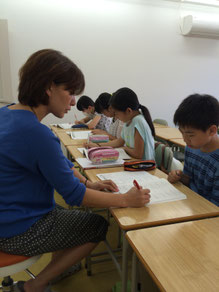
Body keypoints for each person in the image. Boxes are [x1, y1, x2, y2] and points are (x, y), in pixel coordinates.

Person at [0, 49, 151, 292]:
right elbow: (76, 197)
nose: (73, 101)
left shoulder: (6, 113)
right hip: (16, 230)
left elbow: (60, 166)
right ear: (49, 87)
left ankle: (57, 269)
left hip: (9, 215)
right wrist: (125, 199)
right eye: (70, 92)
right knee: (96, 225)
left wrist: (88, 182)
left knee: (63, 214)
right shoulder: (36, 133)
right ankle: (34, 285)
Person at [168, 94, 219, 206]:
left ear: (212, 130)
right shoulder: (192, 148)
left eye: (190, 135)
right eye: (182, 132)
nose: (185, 139)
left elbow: (215, 208)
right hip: (191, 205)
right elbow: (190, 180)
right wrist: (179, 177)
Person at [85, 87, 155, 160]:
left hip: (144, 167)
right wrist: (98, 146)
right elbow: (119, 142)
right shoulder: (128, 121)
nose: (116, 117)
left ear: (128, 111)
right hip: (132, 162)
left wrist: (124, 148)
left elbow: (138, 154)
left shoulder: (138, 122)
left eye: (116, 113)